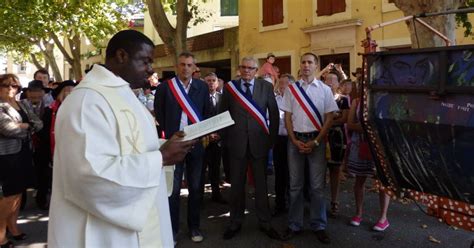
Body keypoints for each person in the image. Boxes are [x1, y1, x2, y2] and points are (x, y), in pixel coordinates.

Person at [47, 30, 196, 248]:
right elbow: (89, 176)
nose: (151, 69)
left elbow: (134, 147)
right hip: (105, 232)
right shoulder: (86, 102)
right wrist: (160, 158)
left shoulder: (124, 93)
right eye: (145, 61)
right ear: (121, 56)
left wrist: (164, 145)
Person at [219, 56, 280, 240]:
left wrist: (270, 141)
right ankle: (235, 222)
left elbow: (275, 116)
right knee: (236, 185)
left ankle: (265, 222)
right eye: (244, 67)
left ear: (256, 71)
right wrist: (226, 141)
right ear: (240, 69)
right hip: (236, 145)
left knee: (261, 186)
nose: (246, 71)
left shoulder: (266, 87)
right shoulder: (231, 88)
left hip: (259, 144)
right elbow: (223, 114)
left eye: (250, 68)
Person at [154, 52, 212, 243]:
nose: (185, 68)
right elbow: (160, 114)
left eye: (189, 65)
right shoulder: (165, 88)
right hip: (173, 145)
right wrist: (170, 135)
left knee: (196, 188)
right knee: (173, 189)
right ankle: (172, 229)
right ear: (176, 66)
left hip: (195, 144)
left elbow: (207, 113)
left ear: (195, 67)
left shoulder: (202, 87)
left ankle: (194, 227)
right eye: (182, 64)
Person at [281, 53, 338, 244]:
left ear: (316, 65)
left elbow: (330, 118)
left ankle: (319, 225)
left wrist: (316, 141)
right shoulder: (291, 90)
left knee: (317, 187)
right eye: (303, 62)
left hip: (317, 141)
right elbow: (287, 117)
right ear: (301, 65)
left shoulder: (324, 90)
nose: (306, 65)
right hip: (295, 140)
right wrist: (293, 139)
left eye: (310, 62)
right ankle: (294, 224)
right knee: (295, 186)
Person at [0, 74, 43, 248]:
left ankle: (14, 227)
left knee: (18, 193)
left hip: (24, 151)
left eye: (15, 86)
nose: (11, 88)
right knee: (9, 195)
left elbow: (39, 124)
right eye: (6, 85)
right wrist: (27, 126)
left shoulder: (23, 103)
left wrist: (24, 126)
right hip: (7, 155)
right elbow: (7, 129)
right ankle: (1, 234)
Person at [347, 97, 390, 232]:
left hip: (380, 145)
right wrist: (364, 128)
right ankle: (358, 213)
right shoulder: (356, 101)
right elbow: (349, 124)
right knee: (360, 179)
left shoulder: (386, 99)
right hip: (360, 144)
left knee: (383, 181)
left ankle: (383, 217)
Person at [323, 75, 350, 217]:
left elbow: (344, 118)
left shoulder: (343, 99)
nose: (330, 82)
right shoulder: (319, 98)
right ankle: (319, 202)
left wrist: (327, 122)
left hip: (337, 138)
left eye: (333, 80)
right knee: (319, 171)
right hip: (321, 137)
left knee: (335, 170)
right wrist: (333, 118)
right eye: (327, 80)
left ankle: (334, 200)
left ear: (338, 83)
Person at [202, 72, 226, 203]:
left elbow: (227, 117)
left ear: (217, 83)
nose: (211, 83)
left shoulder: (222, 98)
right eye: (208, 81)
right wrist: (207, 134)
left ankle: (216, 194)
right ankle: (198, 198)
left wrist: (219, 134)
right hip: (203, 139)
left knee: (216, 169)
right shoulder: (199, 98)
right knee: (201, 169)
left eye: (213, 80)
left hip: (217, 139)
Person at [272, 73, 294, 216]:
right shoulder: (275, 99)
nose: (281, 86)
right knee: (280, 172)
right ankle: (280, 203)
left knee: (293, 173)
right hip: (278, 140)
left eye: (284, 84)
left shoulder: (296, 101)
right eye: (280, 83)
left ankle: (293, 203)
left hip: (292, 139)